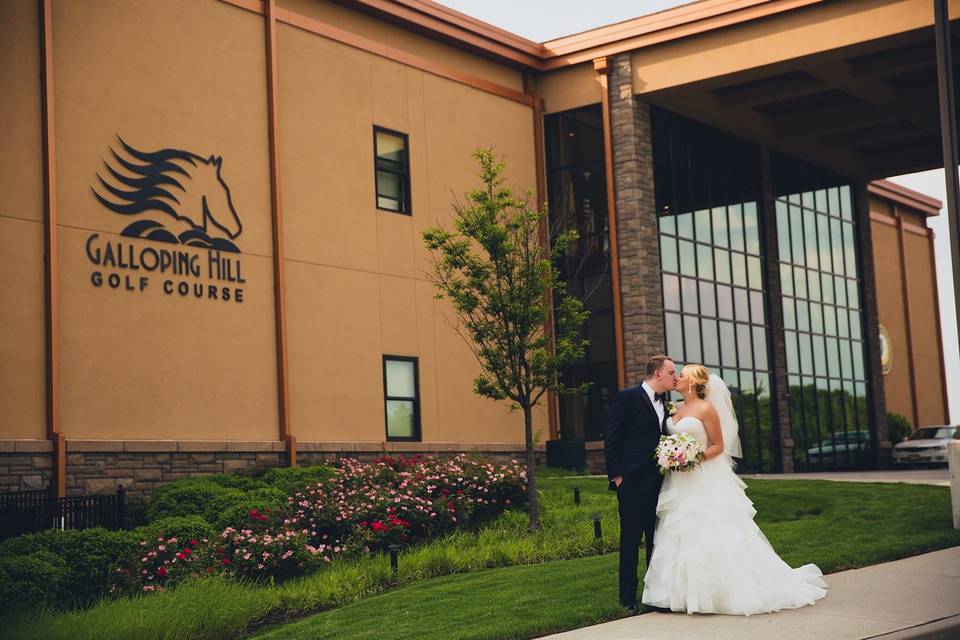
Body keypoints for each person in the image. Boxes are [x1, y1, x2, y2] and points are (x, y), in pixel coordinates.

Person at [641, 364, 828, 615]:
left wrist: (693, 459)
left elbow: (718, 445)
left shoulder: (707, 409)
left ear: (694, 383)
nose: (678, 378)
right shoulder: (676, 408)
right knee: (680, 531)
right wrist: (672, 457)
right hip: (678, 480)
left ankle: (716, 592)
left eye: (682, 375)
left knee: (709, 530)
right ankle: (683, 595)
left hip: (701, 477)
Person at [603, 354, 677, 614]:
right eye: (671, 372)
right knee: (631, 541)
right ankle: (627, 599)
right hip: (631, 482)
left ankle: (655, 595)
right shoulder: (628, 397)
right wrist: (618, 477)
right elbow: (612, 438)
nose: (675, 377)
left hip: (659, 482)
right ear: (657, 374)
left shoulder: (666, 404)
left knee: (656, 541)